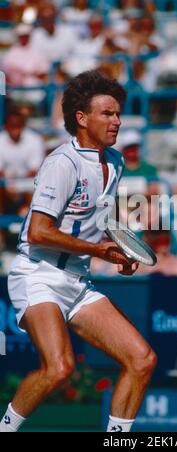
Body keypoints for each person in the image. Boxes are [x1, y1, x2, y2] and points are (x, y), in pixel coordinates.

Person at [0, 70, 157, 433]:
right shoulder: (62, 163)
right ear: (81, 119)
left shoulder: (115, 162)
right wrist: (98, 251)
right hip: (38, 274)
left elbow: (97, 219)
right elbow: (39, 232)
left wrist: (118, 251)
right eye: (107, 113)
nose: (116, 121)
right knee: (58, 368)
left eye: (118, 113)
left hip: (78, 279)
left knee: (142, 359)